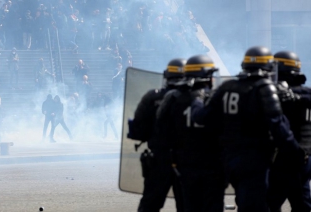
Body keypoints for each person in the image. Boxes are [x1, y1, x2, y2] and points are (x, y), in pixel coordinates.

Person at [189, 46, 306, 212]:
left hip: (228, 157)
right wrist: (295, 151)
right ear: (268, 67)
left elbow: (202, 118)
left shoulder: (227, 87)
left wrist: (198, 99)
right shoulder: (264, 88)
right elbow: (277, 125)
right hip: (255, 158)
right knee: (255, 206)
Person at [156, 55, 224, 212]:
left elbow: (161, 129)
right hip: (213, 165)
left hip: (184, 164)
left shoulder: (173, 98)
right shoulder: (215, 97)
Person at [127, 58, 185, 212]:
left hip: (159, 160)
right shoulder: (196, 99)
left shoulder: (152, 97)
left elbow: (138, 131)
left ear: (166, 77)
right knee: (188, 205)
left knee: (149, 205)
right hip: (187, 162)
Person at [267, 51, 311, 212]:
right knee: (302, 203)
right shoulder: (304, 93)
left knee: (270, 203)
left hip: (286, 158)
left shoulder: (281, 96)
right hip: (303, 159)